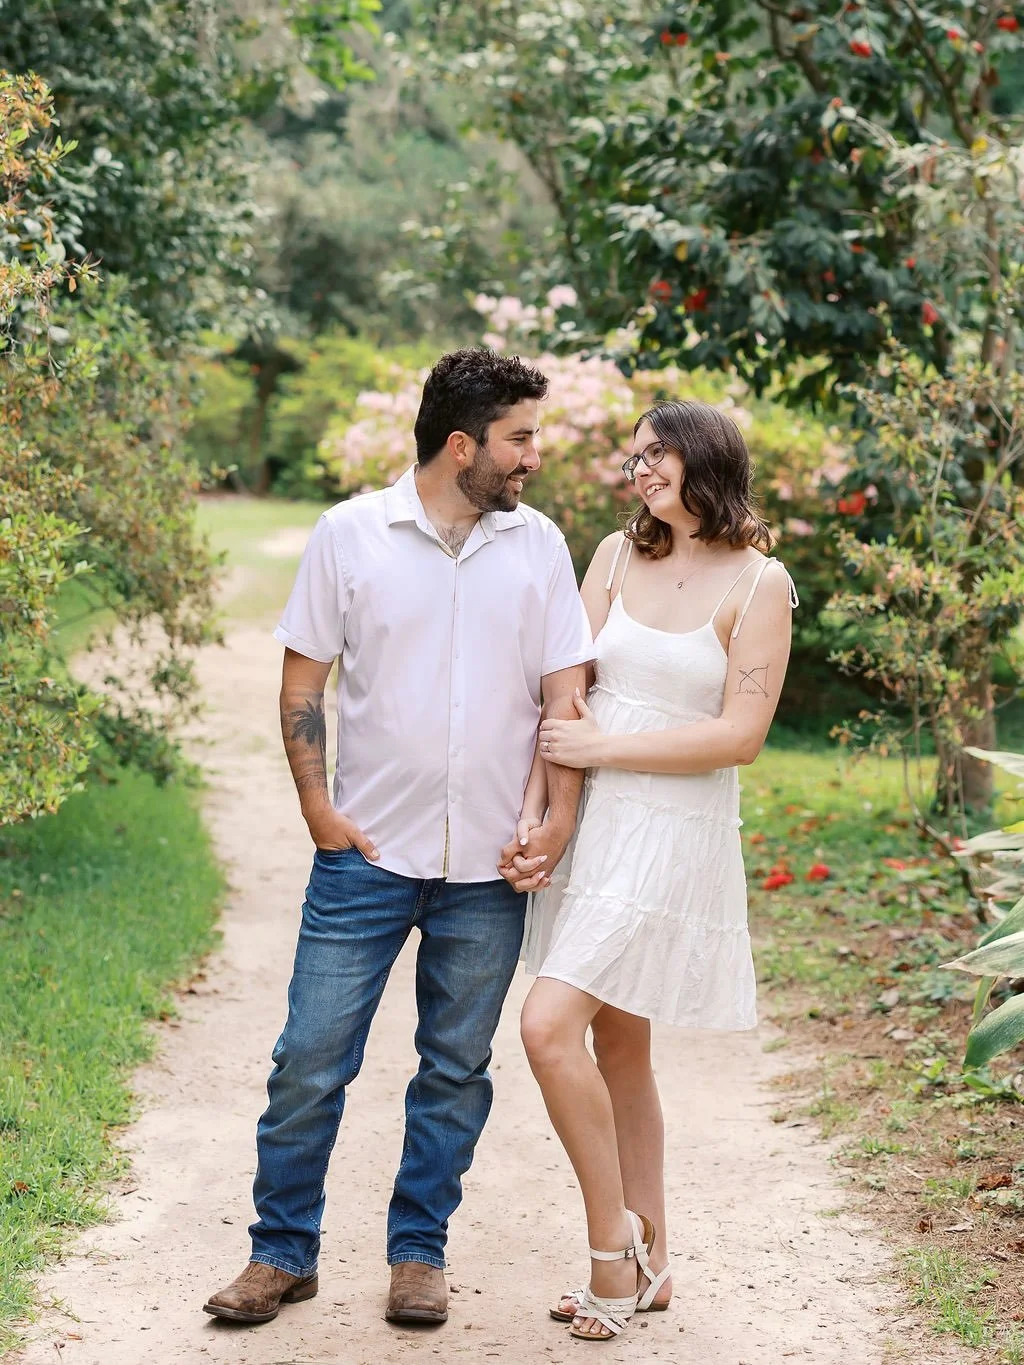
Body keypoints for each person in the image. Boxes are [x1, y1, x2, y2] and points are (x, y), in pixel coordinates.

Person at [203, 348, 593, 1329]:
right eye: (518, 439)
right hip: (366, 861)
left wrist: (557, 817)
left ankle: (419, 1252)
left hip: (487, 875)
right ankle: (280, 1253)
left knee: (455, 1069)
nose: (531, 458)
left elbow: (565, 694)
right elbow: (303, 684)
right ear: (461, 444)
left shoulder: (538, 545)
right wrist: (315, 809)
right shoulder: (349, 536)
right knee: (309, 1058)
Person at [500, 398, 798, 1343]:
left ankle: (611, 1248)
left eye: (656, 454)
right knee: (619, 1046)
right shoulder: (615, 557)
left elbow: (739, 736)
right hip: (594, 823)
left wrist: (604, 752)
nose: (640, 470)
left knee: (548, 1027)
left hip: (672, 829)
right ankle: (657, 1255)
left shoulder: (761, 585)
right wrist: (541, 809)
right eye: (634, 457)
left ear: (705, 460)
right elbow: (567, 689)